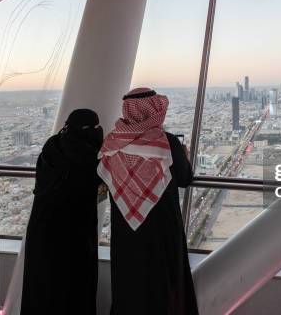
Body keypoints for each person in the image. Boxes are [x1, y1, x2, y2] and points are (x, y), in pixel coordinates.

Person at [98, 88, 198, 315]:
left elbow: (102, 178)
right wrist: (185, 155)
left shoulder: (112, 143)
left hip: (127, 230)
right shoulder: (167, 143)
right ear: (154, 110)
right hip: (163, 229)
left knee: (129, 284)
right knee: (163, 285)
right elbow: (184, 179)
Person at [21, 109, 104, 315]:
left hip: (42, 227)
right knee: (72, 287)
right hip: (74, 232)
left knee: (42, 284)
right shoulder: (90, 155)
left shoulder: (52, 144)